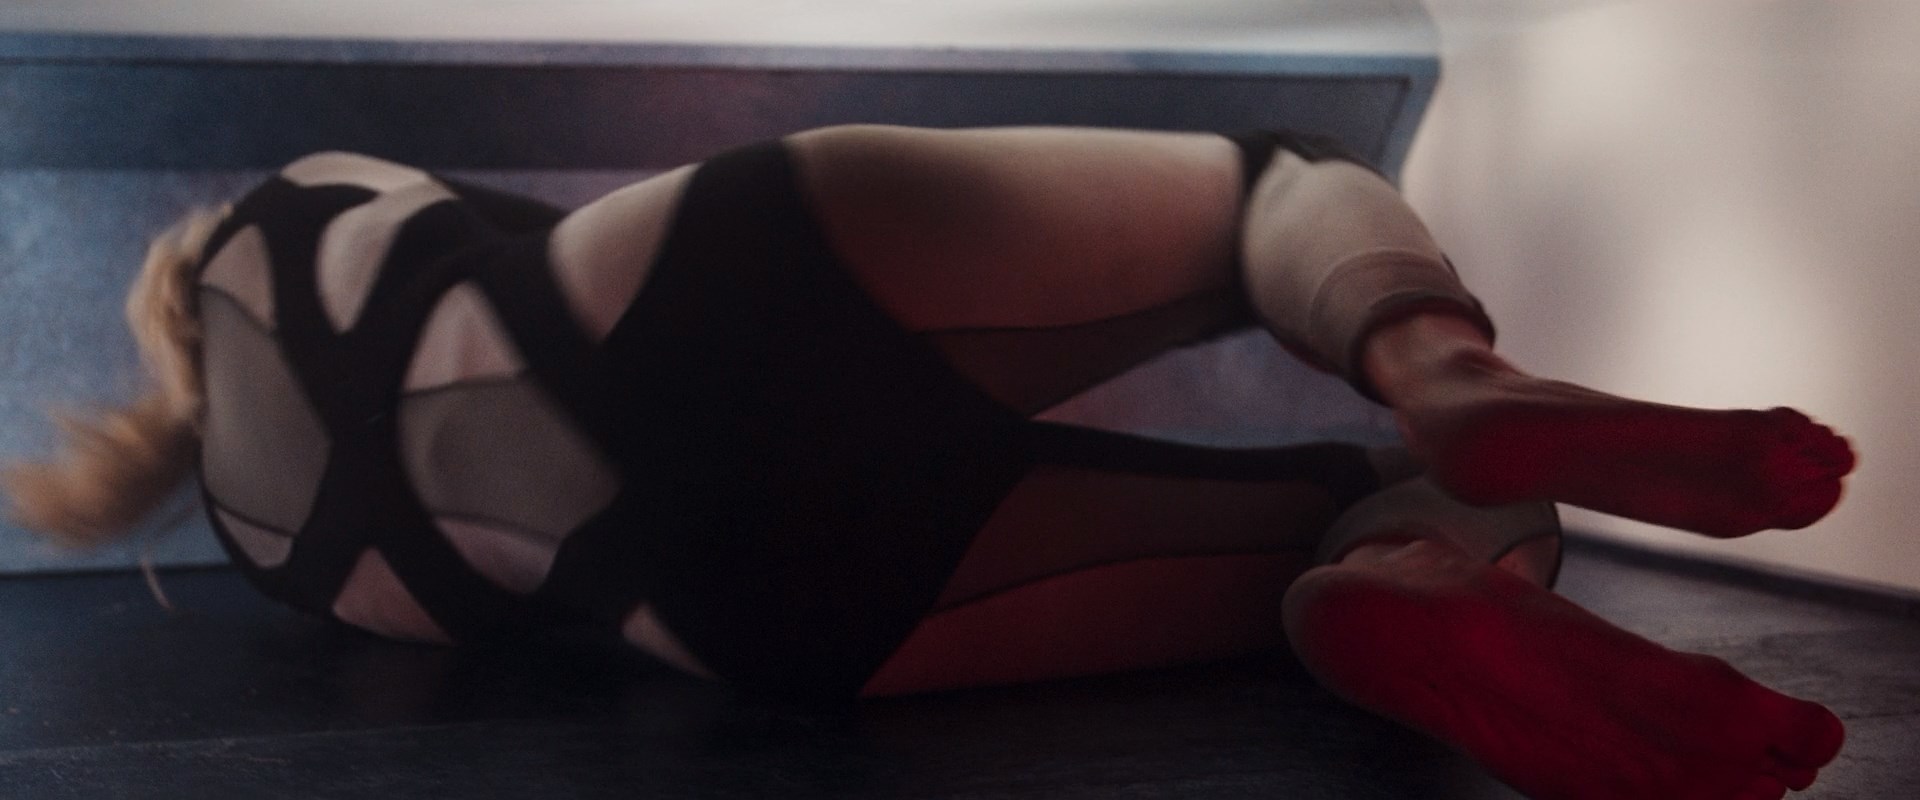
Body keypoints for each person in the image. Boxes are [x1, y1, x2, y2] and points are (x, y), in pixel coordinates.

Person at [2, 124, 1854, 800]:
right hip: (687, 281)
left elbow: (482, 624)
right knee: (1269, 196)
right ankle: (1440, 364)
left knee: (1364, 515)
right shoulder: (269, 224)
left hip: (728, 599)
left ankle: (1410, 577)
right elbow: (482, 242)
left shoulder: (273, 554)